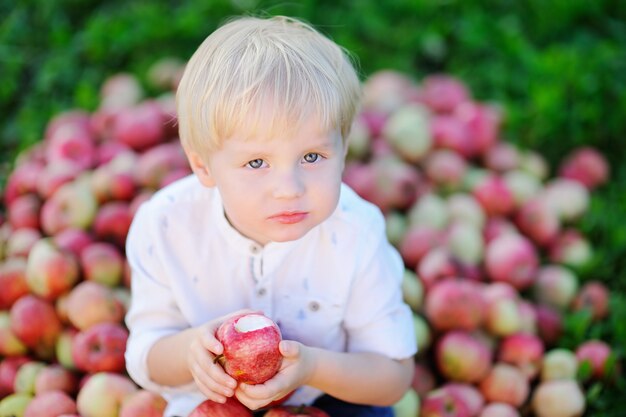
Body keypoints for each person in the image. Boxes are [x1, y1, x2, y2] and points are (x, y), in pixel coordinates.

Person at [124, 14, 417, 417]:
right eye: (257, 162)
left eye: (312, 156)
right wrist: (191, 349)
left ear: (345, 149)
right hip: (212, 404)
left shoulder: (357, 235)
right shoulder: (166, 227)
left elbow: (393, 378)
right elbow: (145, 354)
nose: (289, 188)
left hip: (325, 398)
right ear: (203, 167)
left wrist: (312, 368)